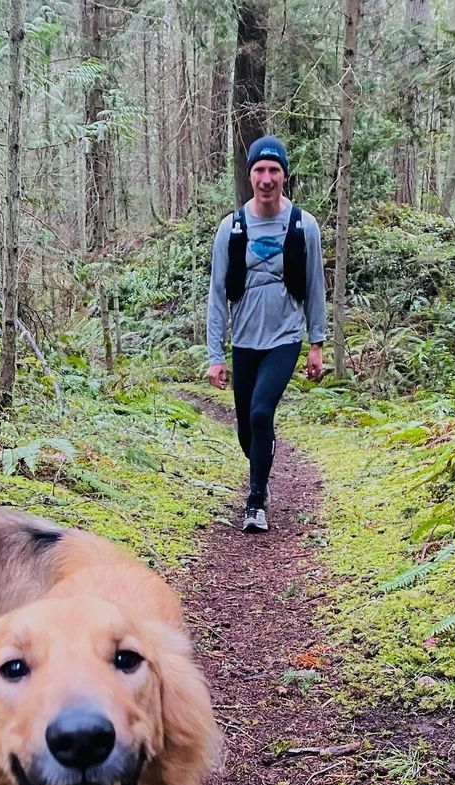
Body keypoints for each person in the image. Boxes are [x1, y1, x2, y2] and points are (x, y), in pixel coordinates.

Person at [206, 136, 327, 534]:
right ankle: (263, 458)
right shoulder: (232, 227)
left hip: (285, 337)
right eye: (260, 170)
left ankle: (255, 500)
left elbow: (314, 286)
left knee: (261, 413)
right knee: (247, 428)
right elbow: (217, 292)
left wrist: (316, 344)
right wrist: (215, 354)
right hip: (243, 341)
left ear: (284, 176)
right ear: (250, 175)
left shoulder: (303, 225)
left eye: (274, 170)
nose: (267, 178)